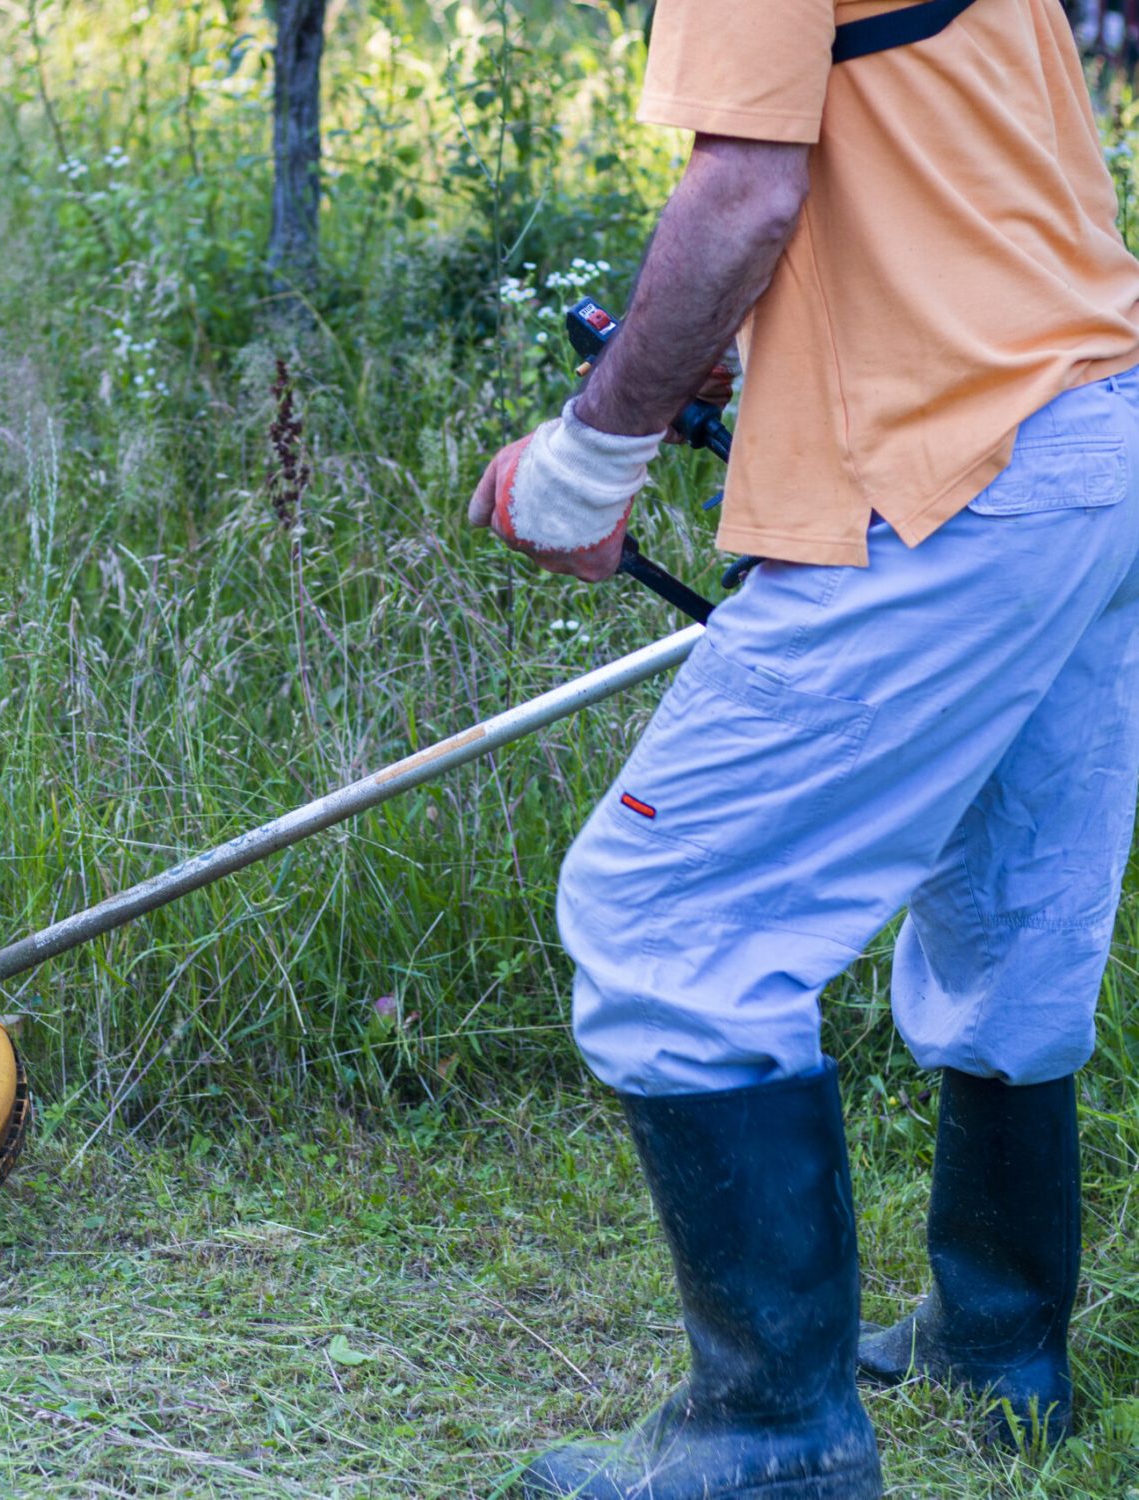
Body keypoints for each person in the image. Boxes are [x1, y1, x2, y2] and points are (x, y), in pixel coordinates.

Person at [467, 1, 1139, 1495]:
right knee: (1015, 901)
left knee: (666, 922)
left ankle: (773, 1435)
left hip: (956, 470)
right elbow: (942, 177)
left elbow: (746, 191)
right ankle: (1000, 1338)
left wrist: (589, 455)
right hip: (1093, 431)